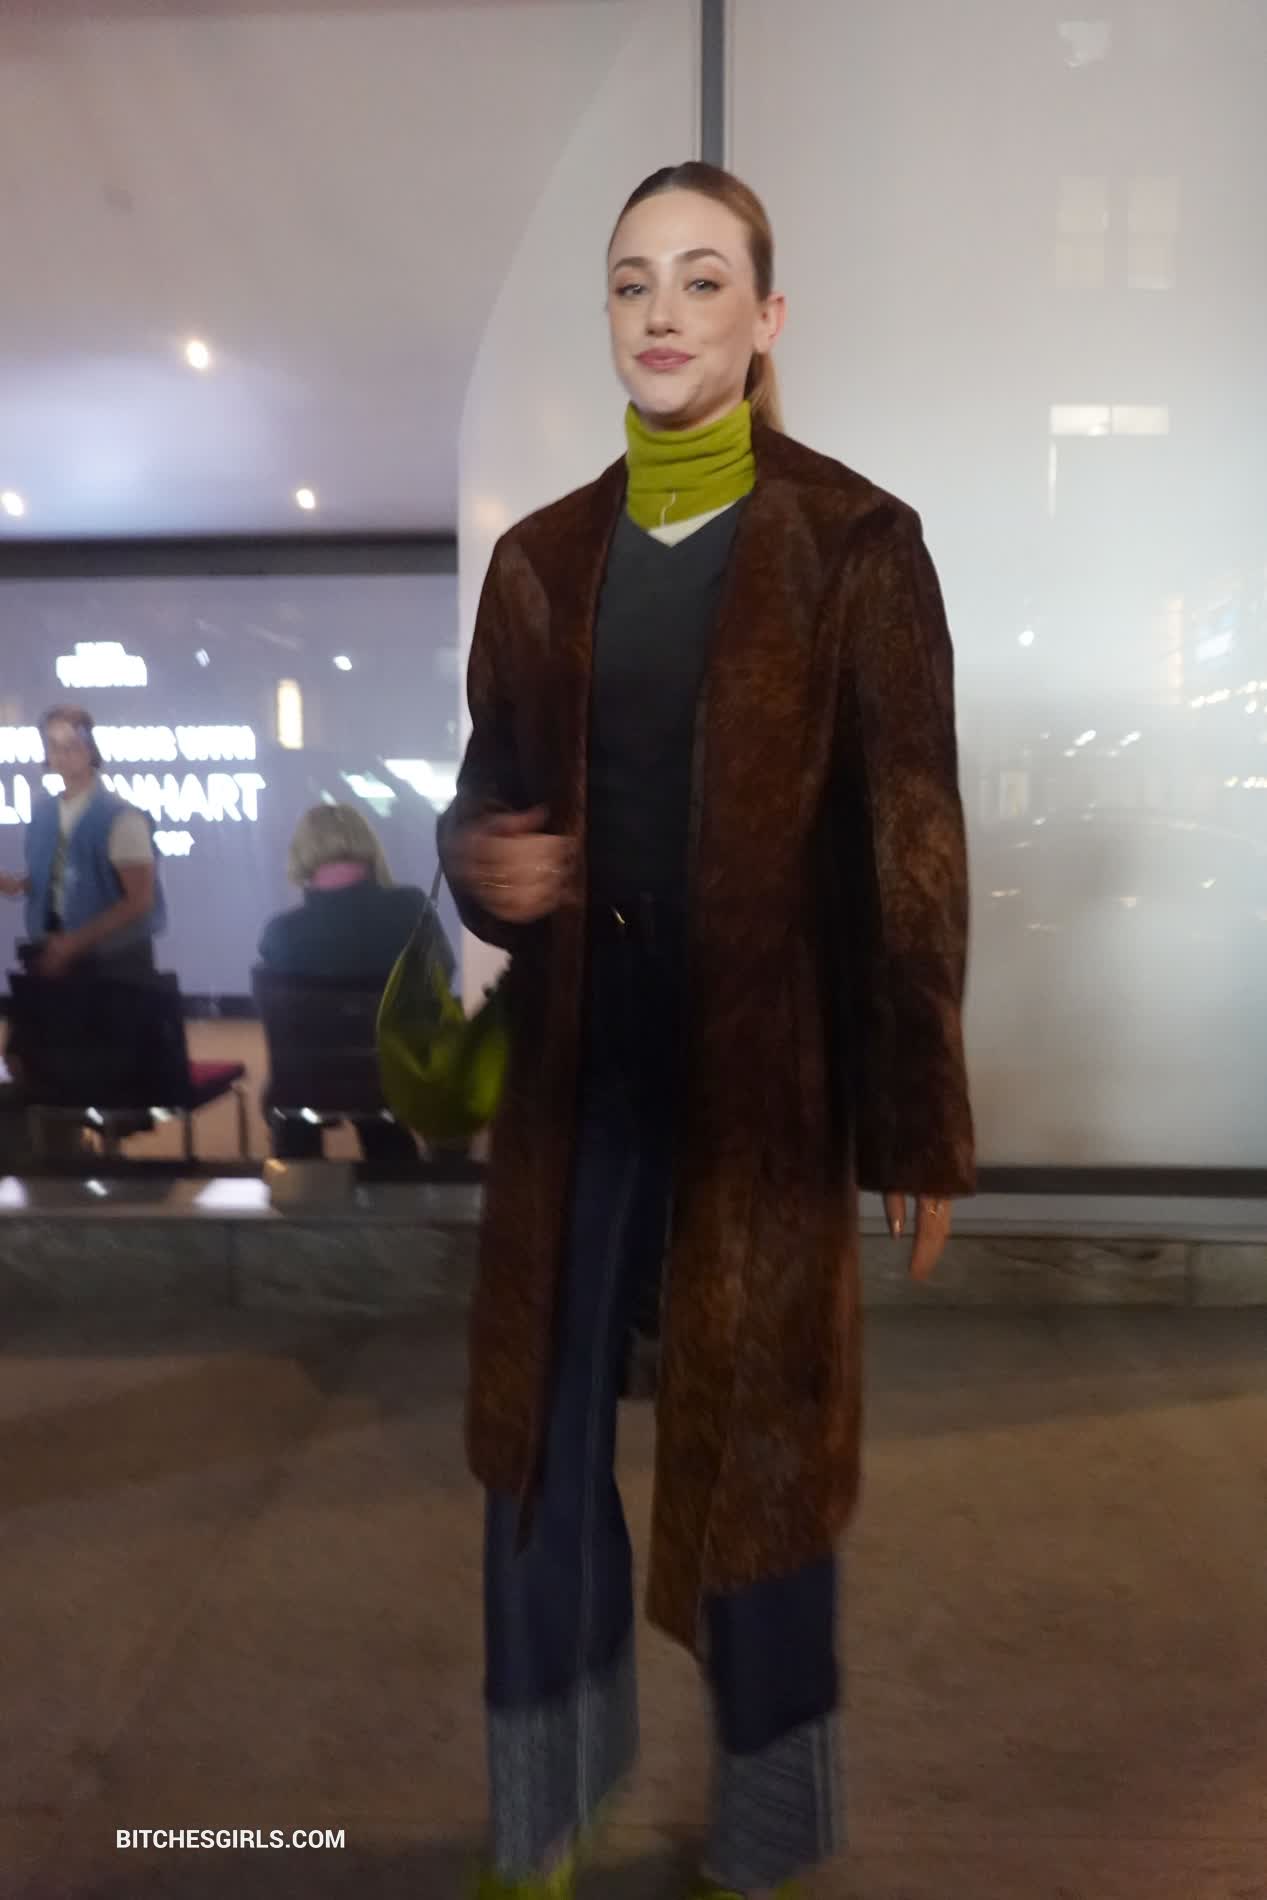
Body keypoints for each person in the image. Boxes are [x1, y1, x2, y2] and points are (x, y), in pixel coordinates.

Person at [438, 162, 976, 1900]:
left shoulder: (854, 546)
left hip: (761, 1085)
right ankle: (544, 1812)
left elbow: (908, 849)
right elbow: (485, 794)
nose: (660, 312)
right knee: (536, 1450)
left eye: (698, 278)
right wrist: (482, 860)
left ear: (764, 315)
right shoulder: (540, 561)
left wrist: (916, 1109)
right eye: (629, 282)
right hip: (576, 1080)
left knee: (760, 1461)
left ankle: (764, 1829)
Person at [257, 801, 452, 1163]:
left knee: (296, 1086)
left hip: (308, 1082)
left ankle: (297, 1184)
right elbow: (441, 979)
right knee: (378, 1087)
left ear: (302, 855)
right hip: (398, 1075)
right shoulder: (411, 909)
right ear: (368, 846)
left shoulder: (280, 933)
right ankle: (399, 1179)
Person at [0, 704, 165, 981]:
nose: (62, 754)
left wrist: (74, 944)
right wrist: (16, 884)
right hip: (53, 959)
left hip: (114, 969)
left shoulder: (122, 818)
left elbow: (139, 901)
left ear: (90, 749)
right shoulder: (43, 812)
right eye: (53, 745)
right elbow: (59, 876)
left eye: (71, 744)